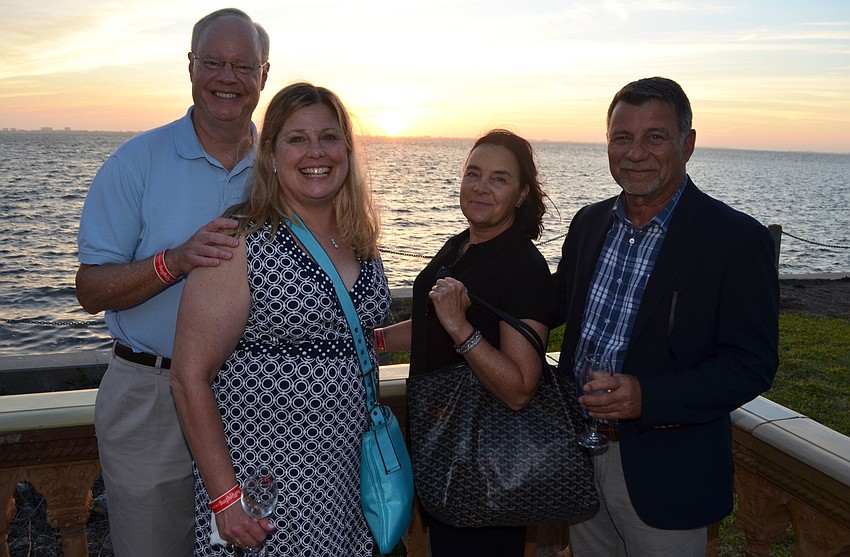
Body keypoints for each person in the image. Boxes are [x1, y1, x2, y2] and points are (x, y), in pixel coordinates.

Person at [553, 77, 779, 556]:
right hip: (580, 457)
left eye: (654, 137)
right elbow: (552, 305)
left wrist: (647, 397)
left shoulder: (736, 240)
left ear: (687, 144)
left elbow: (751, 365)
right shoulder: (589, 222)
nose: (636, 153)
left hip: (667, 477)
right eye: (622, 137)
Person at [74, 9, 269, 556]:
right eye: (213, 63)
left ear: (263, 75)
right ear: (190, 67)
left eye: (243, 66)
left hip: (259, 399)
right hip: (151, 396)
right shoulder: (135, 162)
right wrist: (175, 261)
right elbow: (90, 290)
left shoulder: (285, 167)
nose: (227, 78)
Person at [169, 82, 391, 556]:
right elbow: (188, 377)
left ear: (347, 150)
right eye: (297, 139)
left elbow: (352, 339)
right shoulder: (239, 242)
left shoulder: (361, 241)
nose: (316, 152)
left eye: (329, 137)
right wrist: (225, 499)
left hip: (349, 481)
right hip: (265, 490)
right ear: (270, 154)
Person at [378, 129, 554, 556]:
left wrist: (461, 328)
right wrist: (375, 340)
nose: (480, 187)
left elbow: (519, 388)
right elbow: (431, 325)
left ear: (521, 194)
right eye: (473, 173)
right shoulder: (459, 245)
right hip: (440, 451)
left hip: (486, 468)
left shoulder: (524, 267)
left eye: (499, 178)